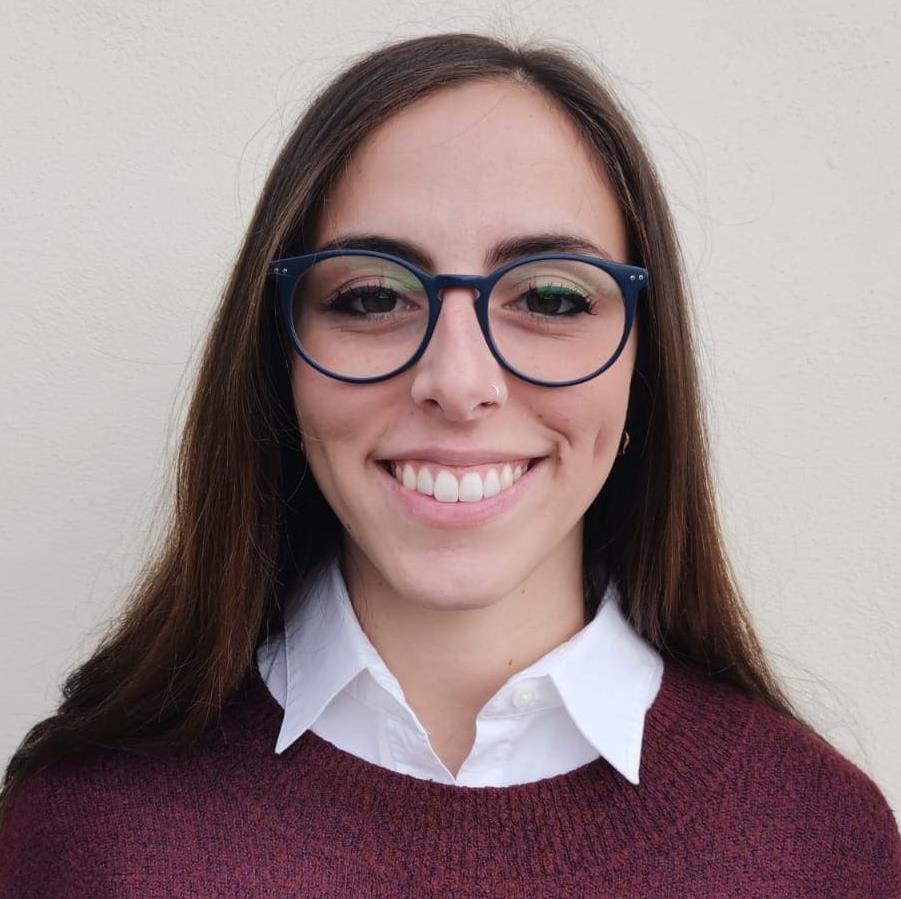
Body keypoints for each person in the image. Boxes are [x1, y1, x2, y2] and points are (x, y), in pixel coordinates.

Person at [0, 32, 898, 898]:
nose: (459, 383)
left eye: (552, 298)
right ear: (278, 363)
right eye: (370, 297)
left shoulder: (818, 844)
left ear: (643, 368)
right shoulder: (86, 834)